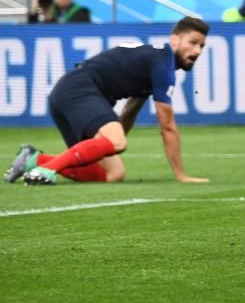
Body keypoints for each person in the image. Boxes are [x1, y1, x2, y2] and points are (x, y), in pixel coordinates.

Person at [5, 17, 210, 185]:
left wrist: (108, 146)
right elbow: (167, 126)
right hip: (79, 89)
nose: (197, 51)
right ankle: (46, 170)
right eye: (192, 43)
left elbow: (130, 110)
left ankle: (34, 160)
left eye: (201, 45)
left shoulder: (155, 61)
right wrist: (181, 175)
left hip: (66, 93)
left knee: (114, 174)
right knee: (117, 141)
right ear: (174, 40)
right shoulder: (163, 64)